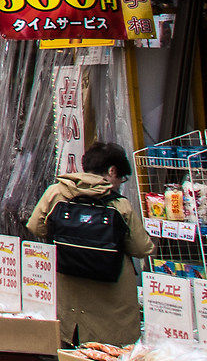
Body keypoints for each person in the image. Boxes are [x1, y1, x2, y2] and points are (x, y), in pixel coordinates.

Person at [27, 141, 153, 347]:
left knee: (72, 344)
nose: (120, 183)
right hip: (112, 293)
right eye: (121, 178)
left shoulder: (56, 193)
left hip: (69, 286)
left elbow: (35, 227)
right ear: (112, 171)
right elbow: (141, 248)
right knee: (110, 351)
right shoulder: (120, 205)